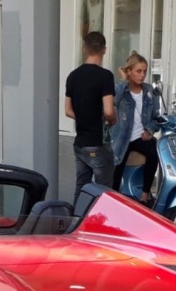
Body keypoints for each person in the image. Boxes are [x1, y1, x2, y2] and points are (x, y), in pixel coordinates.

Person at [64, 31, 117, 198]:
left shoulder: (72, 76)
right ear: (104, 50)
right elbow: (108, 111)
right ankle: (99, 222)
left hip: (80, 143)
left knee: (81, 187)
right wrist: (112, 119)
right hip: (98, 143)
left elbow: (68, 111)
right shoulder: (105, 76)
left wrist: (84, 116)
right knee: (104, 192)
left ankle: (75, 219)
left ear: (85, 49)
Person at [110, 52, 162, 205]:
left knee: (155, 152)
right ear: (129, 71)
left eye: (144, 71)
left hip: (141, 136)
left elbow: (156, 118)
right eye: (138, 71)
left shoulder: (149, 91)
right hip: (122, 137)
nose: (142, 75)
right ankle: (113, 201)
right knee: (117, 167)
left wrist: (150, 131)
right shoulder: (121, 90)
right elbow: (112, 101)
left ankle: (144, 197)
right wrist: (122, 80)